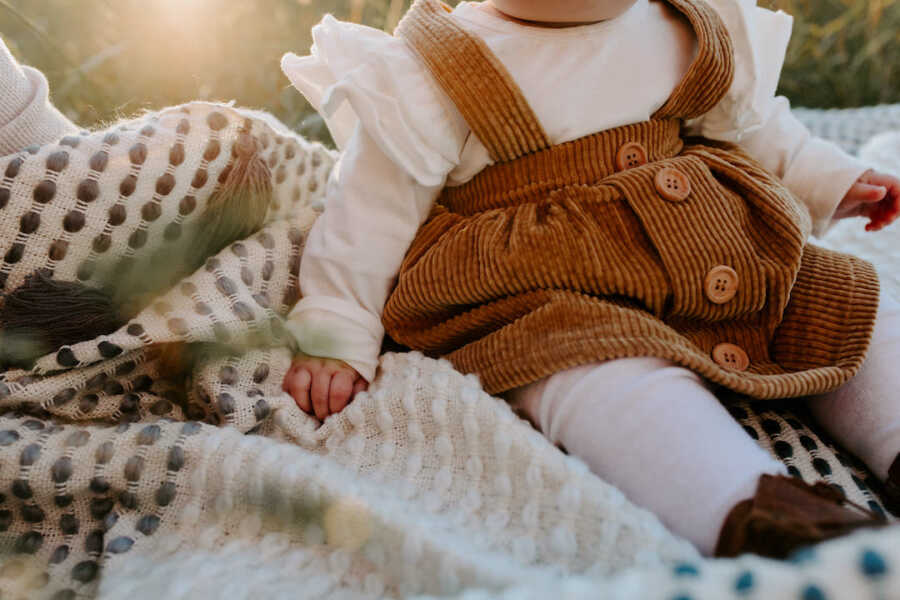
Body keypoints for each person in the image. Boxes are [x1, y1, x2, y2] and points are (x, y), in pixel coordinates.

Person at [280, 0, 900, 557]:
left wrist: (831, 178)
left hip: (714, 240)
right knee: (594, 378)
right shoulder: (432, 71)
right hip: (553, 288)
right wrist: (337, 325)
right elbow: (368, 210)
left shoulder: (680, 23)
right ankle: (752, 511)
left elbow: (751, 127)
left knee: (842, 304)